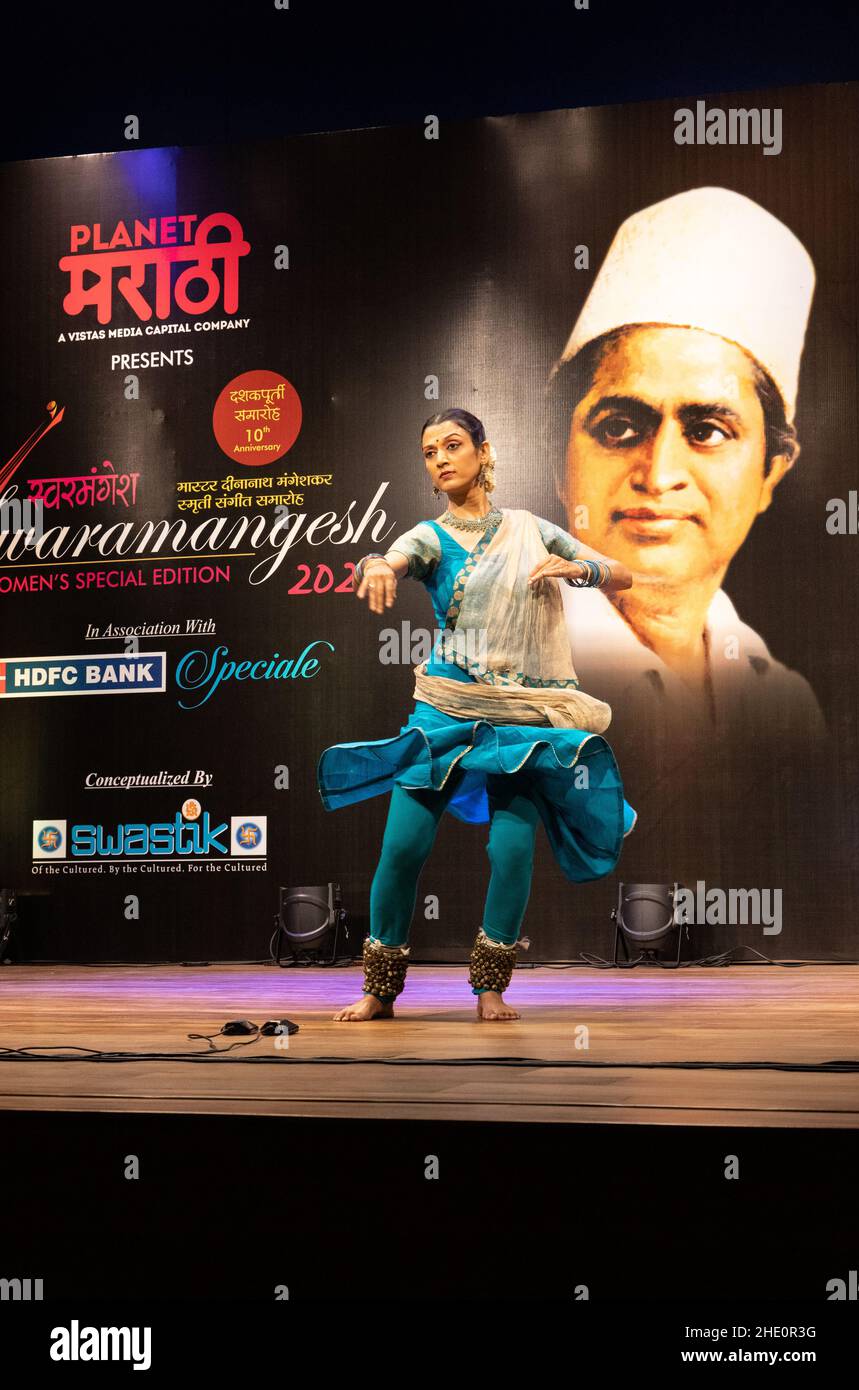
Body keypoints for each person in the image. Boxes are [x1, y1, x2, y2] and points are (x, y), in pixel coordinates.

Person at [317, 408, 637, 1023]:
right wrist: (376, 565)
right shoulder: (429, 536)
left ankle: (490, 987)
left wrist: (583, 568)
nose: (440, 458)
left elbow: (621, 573)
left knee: (512, 850)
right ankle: (380, 991)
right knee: (402, 848)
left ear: (484, 452)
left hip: (518, 715)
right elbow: (391, 558)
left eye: (453, 445)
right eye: (429, 451)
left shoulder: (530, 528)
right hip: (444, 707)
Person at [545, 186, 827, 751]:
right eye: (619, 428)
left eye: (707, 431)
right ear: (559, 460)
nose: (659, 473)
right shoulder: (497, 683)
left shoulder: (786, 708)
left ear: (771, 472)